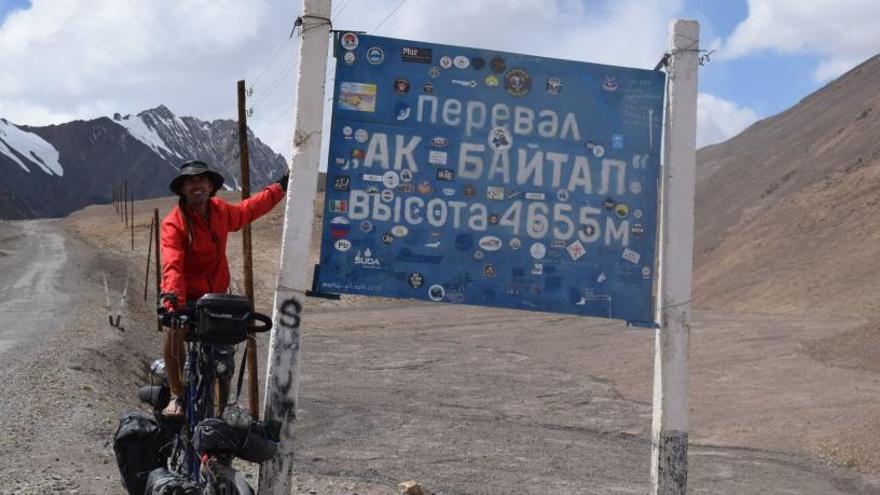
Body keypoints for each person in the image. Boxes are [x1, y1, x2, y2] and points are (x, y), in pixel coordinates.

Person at [159, 160, 288, 417]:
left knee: (223, 355)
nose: (198, 185)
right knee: (174, 333)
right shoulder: (175, 223)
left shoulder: (220, 211)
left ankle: (221, 410)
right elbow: (173, 263)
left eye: (203, 180)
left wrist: (280, 188)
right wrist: (174, 304)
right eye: (191, 181)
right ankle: (178, 396)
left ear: (212, 187)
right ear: (183, 189)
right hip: (187, 297)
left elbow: (249, 209)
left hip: (216, 296)